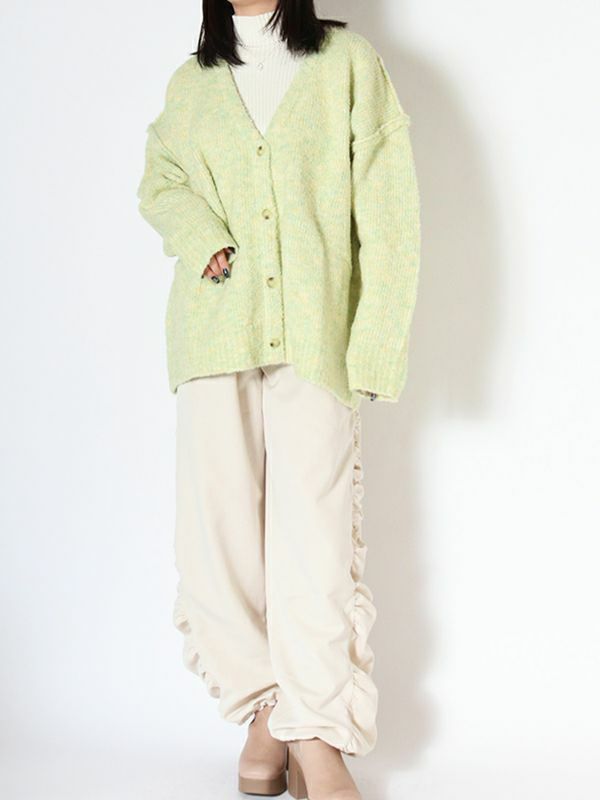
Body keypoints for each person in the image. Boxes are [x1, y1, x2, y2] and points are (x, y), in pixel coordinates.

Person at [136, 1, 420, 797]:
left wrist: (374, 341)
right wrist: (204, 236)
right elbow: (159, 181)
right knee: (216, 535)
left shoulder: (347, 64)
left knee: (315, 538)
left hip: (316, 338)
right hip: (212, 334)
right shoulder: (192, 83)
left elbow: (390, 210)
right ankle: (268, 709)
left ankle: (317, 731)